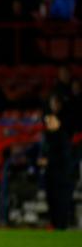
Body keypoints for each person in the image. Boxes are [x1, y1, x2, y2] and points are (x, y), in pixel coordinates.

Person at [40, 94, 75, 229]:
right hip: (51, 177)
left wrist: (48, 161)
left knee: (61, 207)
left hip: (63, 179)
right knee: (52, 205)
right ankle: (55, 227)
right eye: (47, 121)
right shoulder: (47, 137)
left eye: (51, 120)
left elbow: (65, 158)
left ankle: (61, 228)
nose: (48, 123)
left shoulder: (63, 137)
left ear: (58, 122)